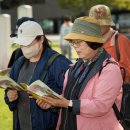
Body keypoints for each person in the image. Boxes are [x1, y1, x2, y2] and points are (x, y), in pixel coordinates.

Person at [37, 16, 123, 130]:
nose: (75, 46)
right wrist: (53, 103)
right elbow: (69, 97)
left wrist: (66, 103)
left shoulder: (110, 69)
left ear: (93, 42)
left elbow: (100, 106)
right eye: (73, 42)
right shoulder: (75, 66)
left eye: (79, 42)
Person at [4, 21, 72, 130]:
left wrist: (53, 104)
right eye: (22, 44)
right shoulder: (19, 62)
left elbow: (71, 98)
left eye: (28, 44)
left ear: (41, 39)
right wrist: (10, 97)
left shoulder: (59, 63)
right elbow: (10, 89)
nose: (25, 48)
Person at [89, 4, 130, 83]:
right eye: (93, 24)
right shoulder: (90, 41)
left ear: (109, 24)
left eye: (100, 24)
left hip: (115, 91)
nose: (96, 27)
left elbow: (127, 71)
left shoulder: (121, 41)